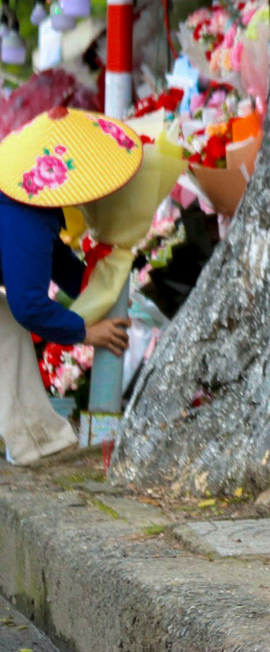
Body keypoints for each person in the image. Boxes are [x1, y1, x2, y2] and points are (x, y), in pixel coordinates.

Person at [0, 107, 139, 465]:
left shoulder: (20, 192)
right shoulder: (26, 210)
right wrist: (85, 332)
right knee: (7, 330)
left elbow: (57, 263)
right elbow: (29, 304)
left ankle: (39, 442)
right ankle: (39, 443)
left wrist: (106, 295)